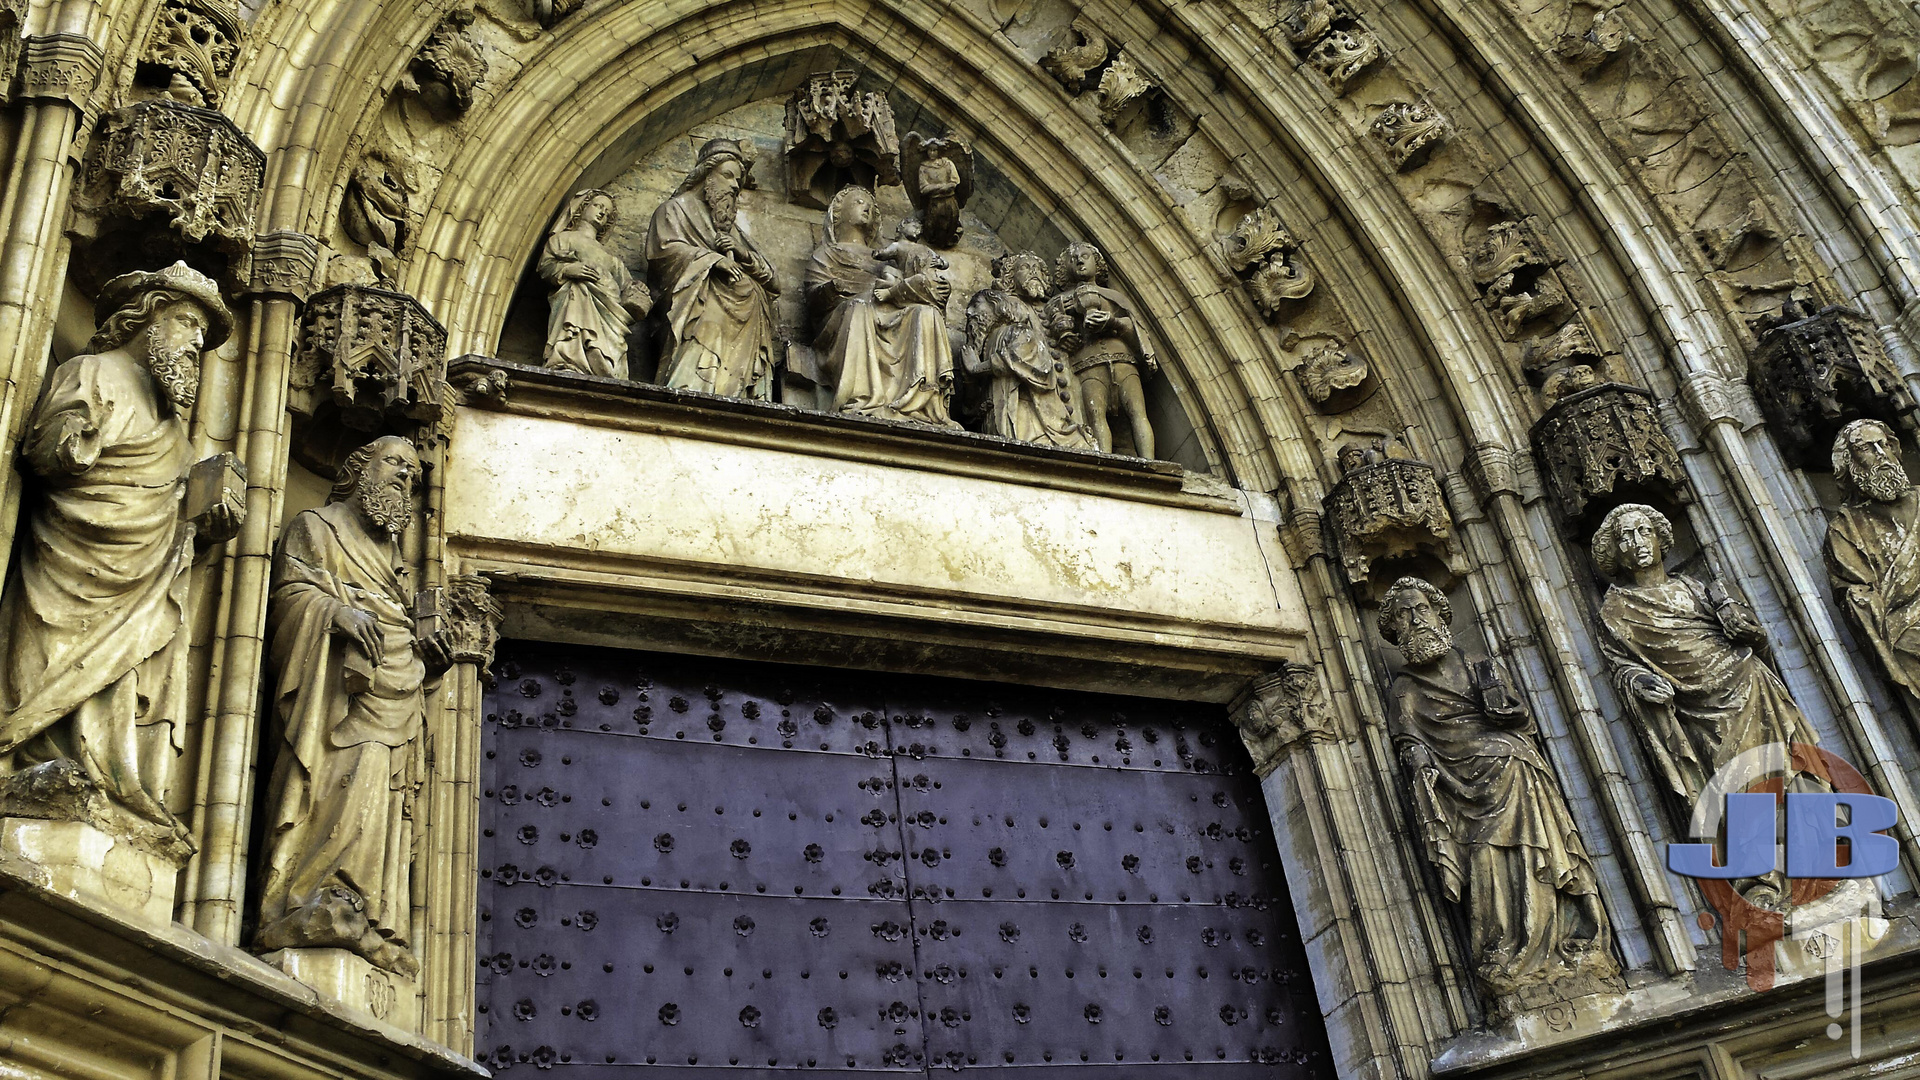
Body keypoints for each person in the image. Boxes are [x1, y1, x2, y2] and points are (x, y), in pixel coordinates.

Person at [0, 262, 238, 851]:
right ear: (146, 316)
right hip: (72, 563)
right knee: (52, 659)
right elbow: (48, 451)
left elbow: (181, 507)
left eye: (202, 341)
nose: (192, 347)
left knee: (122, 678)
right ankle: (35, 758)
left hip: (141, 579)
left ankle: (109, 781)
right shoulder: (94, 372)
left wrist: (212, 505)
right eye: (185, 324)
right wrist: (72, 439)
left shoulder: (176, 431)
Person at [255, 436, 449, 975]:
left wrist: (428, 659)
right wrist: (334, 614)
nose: (404, 480)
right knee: (339, 782)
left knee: (380, 801)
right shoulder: (316, 527)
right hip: (338, 696)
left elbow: (403, 638)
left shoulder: (398, 567)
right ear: (361, 467)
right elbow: (289, 596)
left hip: (396, 698)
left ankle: (369, 914)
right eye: (394, 464)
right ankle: (307, 898)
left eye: (412, 475)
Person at [1380, 576, 1618, 1012]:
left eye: (1421, 609)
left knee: (1536, 852)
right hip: (1461, 787)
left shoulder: (1479, 665)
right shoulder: (1406, 690)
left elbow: (1521, 718)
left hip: (1516, 774)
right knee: (1487, 861)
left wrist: (1510, 715)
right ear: (1395, 633)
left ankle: (1561, 938)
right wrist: (1419, 763)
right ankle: (1505, 950)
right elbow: (1408, 740)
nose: (1415, 619)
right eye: (1403, 615)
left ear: (1439, 614)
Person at [1592, 504, 1821, 810]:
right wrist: (1640, 681)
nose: (1637, 542)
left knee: (1793, 780)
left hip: (1755, 689)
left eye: (1644, 531)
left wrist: (1752, 634)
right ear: (1615, 552)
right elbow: (1622, 668)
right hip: (1700, 715)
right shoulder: (1617, 610)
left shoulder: (1697, 589)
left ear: (1660, 539)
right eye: (1625, 536)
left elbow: (1759, 647)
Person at [805, 186, 960, 427]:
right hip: (845, 317)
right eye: (858, 201)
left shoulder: (884, 257)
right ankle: (863, 398)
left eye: (870, 205)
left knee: (925, 313)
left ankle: (920, 405)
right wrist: (833, 288)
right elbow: (813, 299)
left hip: (885, 308)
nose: (866, 207)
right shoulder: (827, 254)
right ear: (838, 213)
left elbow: (904, 285)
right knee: (858, 308)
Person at [646, 139, 780, 400]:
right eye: (727, 175)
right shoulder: (674, 210)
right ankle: (691, 387)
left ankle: (739, 393)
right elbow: (663, 252)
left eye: (738, 182)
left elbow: (774, 282)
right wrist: (712, 260)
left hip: (744, 325)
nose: (733, 186)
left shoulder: (731, 230)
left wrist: (742, 254)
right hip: (701, 310)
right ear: (706, 174)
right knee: (707, 323)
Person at [965, 251, 1094, 448]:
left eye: (1038, 269)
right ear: (1010, 276)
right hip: (1022, 399)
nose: (1033, 272)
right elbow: (976, 345)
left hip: (1061, 410)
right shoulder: (997, 302)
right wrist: (976, 371)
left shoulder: (1053, 309)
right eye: (1025, 267)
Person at [1044, 242, 1157, 456]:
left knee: (1137, 412)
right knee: (1096, 415)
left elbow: (1138, 333)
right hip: (1089, 364)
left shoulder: (1114, 297)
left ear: (1098, 264)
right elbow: (1052, 333)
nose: (1079, 260)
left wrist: (1113, 322)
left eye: (1085, 255)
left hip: (1123, 361)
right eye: (1073, 258)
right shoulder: (1059, 302)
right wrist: (1064, 332)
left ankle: (1149, 462)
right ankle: (1104, 460)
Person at [538, 189, 651, 379]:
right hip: (577, 297)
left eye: (606, 213)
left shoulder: (611, 259)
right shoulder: (563, 239)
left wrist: (638, 288)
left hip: (608, 309)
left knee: (606, 346)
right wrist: (567, 270)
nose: (601, 213)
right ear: (583, 207)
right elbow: (546, 266)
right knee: (577, 293)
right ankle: (570, 359)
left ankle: (606, 366)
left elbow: (626, 285)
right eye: (598, 206)